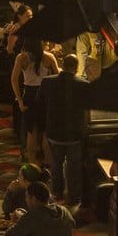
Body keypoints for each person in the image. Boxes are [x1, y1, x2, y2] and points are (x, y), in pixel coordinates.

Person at [40, 52, 89, 205]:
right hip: (74, 132)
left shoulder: (47, 82)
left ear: (63, 66)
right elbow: (88, 110)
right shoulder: (83, 84)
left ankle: (57, 192)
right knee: (74, 167)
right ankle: (74, 197)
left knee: (56, 163)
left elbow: (40, 103)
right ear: (76, 68)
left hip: (54, 130)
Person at [10, 36, 58, 163]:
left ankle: (32, 165)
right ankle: (48, 166)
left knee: (31, 131)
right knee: (46, 132)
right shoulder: (49, 57)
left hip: (29, 95)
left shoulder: (22, 58)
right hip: (45, 95)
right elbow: (58, 76)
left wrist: (19, 100)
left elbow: (14, 79)